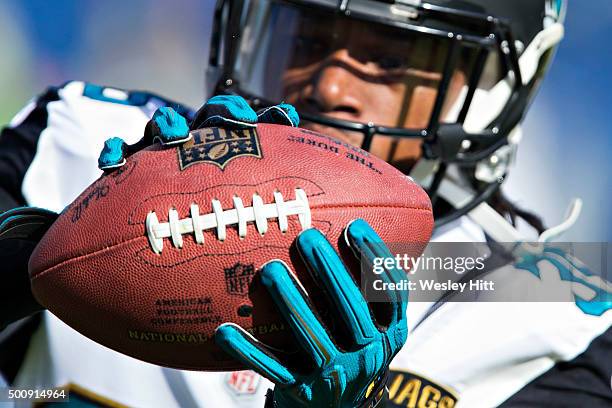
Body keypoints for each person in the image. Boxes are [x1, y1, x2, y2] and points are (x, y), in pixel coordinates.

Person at [0, 0, 610, 407]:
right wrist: (41, 248)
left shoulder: (553, 316)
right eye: (307, 38)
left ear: (496, 86)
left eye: (388, 59)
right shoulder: (76, 142)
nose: (329, 86)